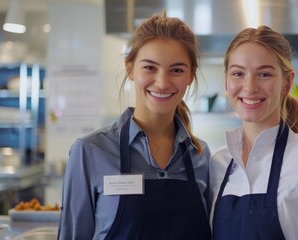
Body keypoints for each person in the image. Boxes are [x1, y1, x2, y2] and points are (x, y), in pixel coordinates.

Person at [58, 13, 212, 240]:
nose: (162, 82)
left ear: (191, 75)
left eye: (177, 70)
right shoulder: (90, 151)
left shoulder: (201, 156)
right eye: (150, 68)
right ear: (130, 69)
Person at [209, 25, 298, 240]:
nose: (249, 87)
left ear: (287, 82)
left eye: (264, 74)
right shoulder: (218, 163)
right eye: (238, 73)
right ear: (227, 82)